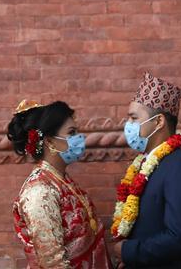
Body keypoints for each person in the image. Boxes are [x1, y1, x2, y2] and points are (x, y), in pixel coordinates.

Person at [109, 74, 181, 268]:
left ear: (159, 122)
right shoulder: (142, 164)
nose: (128, 125)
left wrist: (128, 251)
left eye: (134, 118)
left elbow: (180, 238)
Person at [8, 99, 112, 268]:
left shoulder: (61, 180)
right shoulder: (40, 191)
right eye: (72, 132)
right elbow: (52, 262)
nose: (79, 138)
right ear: (49, 142)